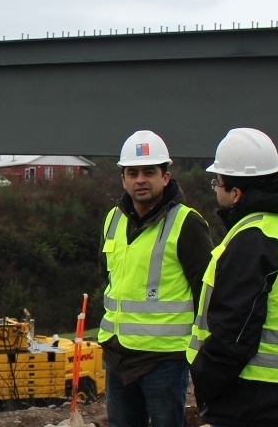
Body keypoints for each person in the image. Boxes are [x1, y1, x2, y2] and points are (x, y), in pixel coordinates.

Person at [188, 127, 278, 427]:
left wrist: (206, 379)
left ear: (236, 192)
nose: (215, 189)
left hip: (250, 395)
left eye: (217, 182)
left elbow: (234, 331)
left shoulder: (253, 237)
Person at [98, 130, 213, 427]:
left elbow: (207, 292)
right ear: (123, 178)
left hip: (163, 360)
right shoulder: (113, 219)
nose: (140, 179)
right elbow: (108, 278)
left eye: (149, 172)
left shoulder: (187, 223)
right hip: (117, 355)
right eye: (133, 172)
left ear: (166, 176)